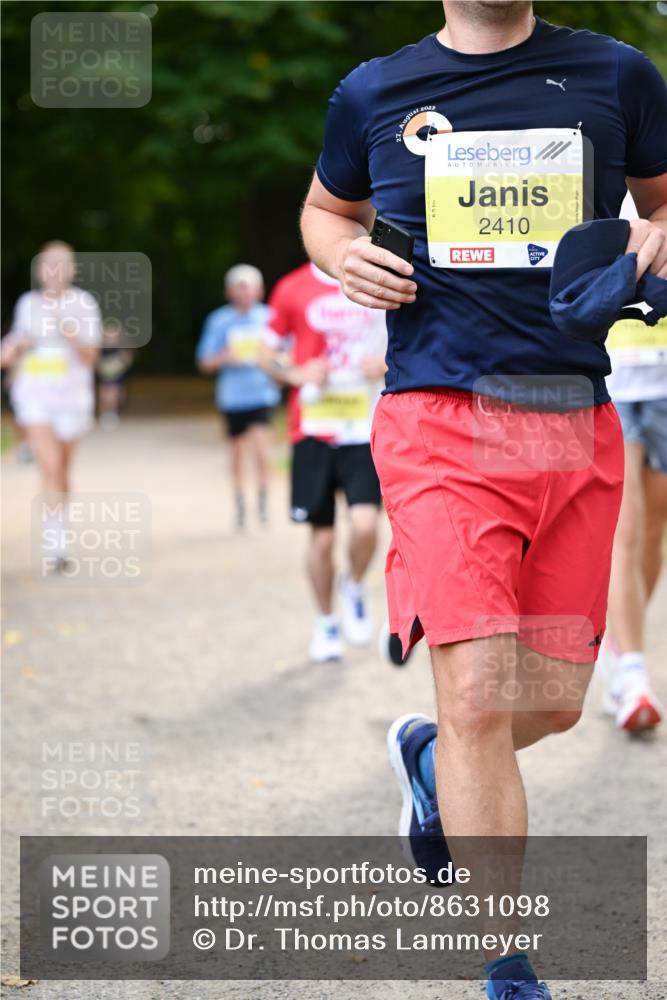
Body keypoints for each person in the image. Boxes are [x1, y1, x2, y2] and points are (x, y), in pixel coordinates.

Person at [300, 2, 667, 997]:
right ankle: (503, 960)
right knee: (473, 693)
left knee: (545, 703)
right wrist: (342, 255)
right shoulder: (374, 90)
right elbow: (324, 209)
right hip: (436, 419)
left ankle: (426, 761)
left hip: (571, 419)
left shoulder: (617, 75)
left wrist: (652, 245)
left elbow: (665, 202)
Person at [260, 261, 387, 663]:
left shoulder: (378, 277)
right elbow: (266, 355)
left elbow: (414, 342)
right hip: (313, 429)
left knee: (366, 525)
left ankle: (353, 585)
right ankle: (326, 621)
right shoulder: (291, 286)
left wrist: (386, 365)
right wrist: (297, 373)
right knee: (323, 536)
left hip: (364, 428)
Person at [603, 194, 667, 732]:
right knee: (626, 529)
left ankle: (622, 647)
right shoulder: (600, 156)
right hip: (615, 381)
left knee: (654, 535)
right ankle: (632, 671)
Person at [1, 241, 101, 568]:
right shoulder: (27, 304)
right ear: (39, 271)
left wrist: (66, 328)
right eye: (47, 264)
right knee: (49, 466)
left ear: (71, 270)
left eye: (61, 264)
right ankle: (55, 545)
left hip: (72, 398)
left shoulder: (83, 304)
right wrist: (16, 347)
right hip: (35, 397)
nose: (54, 271)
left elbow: (92, 355)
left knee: (63, 471)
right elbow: (11, 347)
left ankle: (60, 527)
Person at [196, 264, 280, 530]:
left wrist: (273, 362)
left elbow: (288, 354)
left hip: (262, 393)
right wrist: (225, 357)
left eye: (248, 288)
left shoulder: (270, 318)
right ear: (228, 292)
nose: (243, 293)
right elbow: (204, 362)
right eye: (238, 288)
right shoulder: (219, 321)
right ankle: (240, 501)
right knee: (236, 452)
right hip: (232, 397)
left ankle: (264, 499)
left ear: (259, 291)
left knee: (262, 448)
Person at [96, 319, 133, 430]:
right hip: (104, 375)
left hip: (116, 376)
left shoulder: (121, 348)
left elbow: (126, 360)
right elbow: (95, 361)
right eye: (108, 333)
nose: (110, 336)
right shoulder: (100, 348)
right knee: (103, 395)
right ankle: (103, 415)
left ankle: (112, 414)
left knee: (115, 396)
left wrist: (118, 365)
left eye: (113, 334)